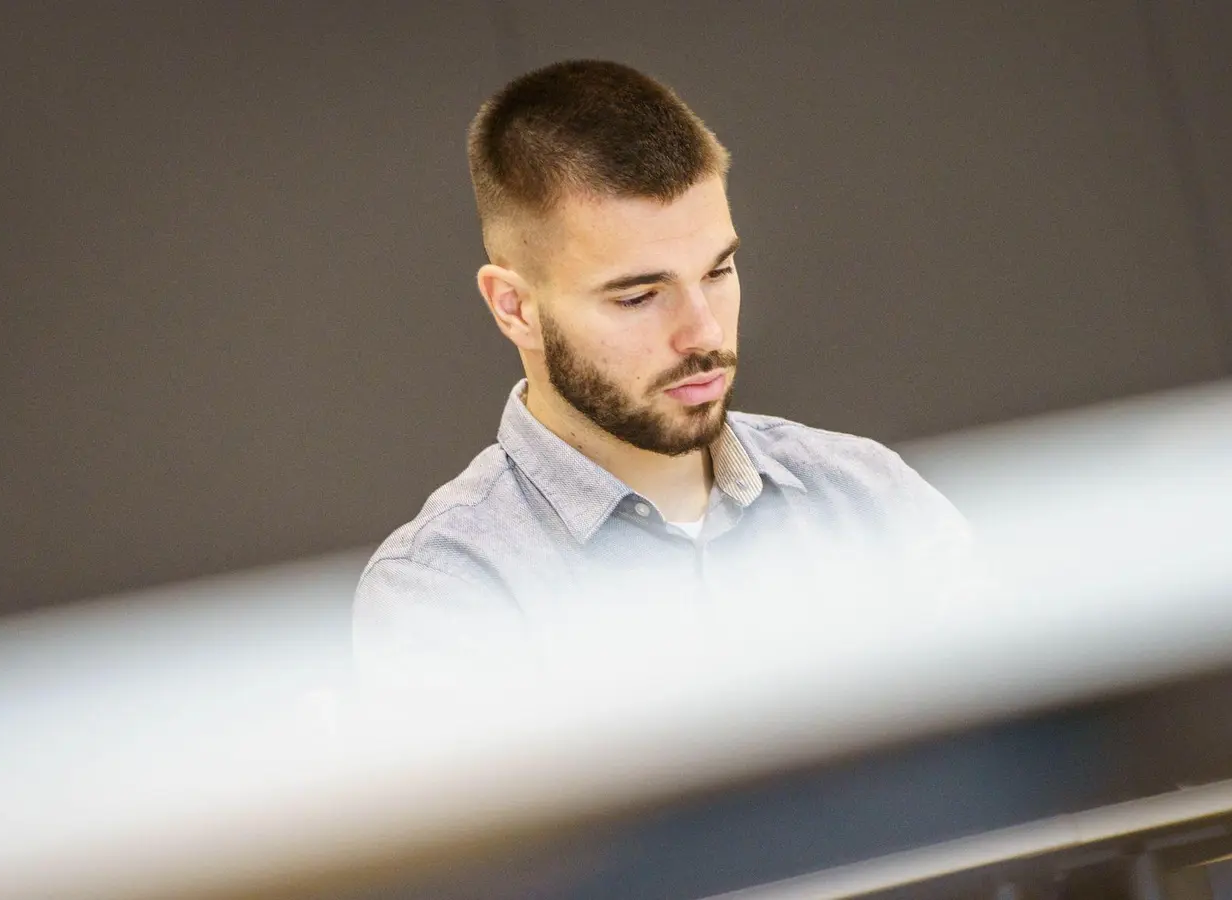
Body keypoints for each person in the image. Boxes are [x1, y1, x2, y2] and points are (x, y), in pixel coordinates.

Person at [354, 60, 977, 678]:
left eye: (718, 271)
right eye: (638, 297)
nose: (703, 333)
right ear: (516, 308)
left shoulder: (869, 498)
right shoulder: (447, 591)